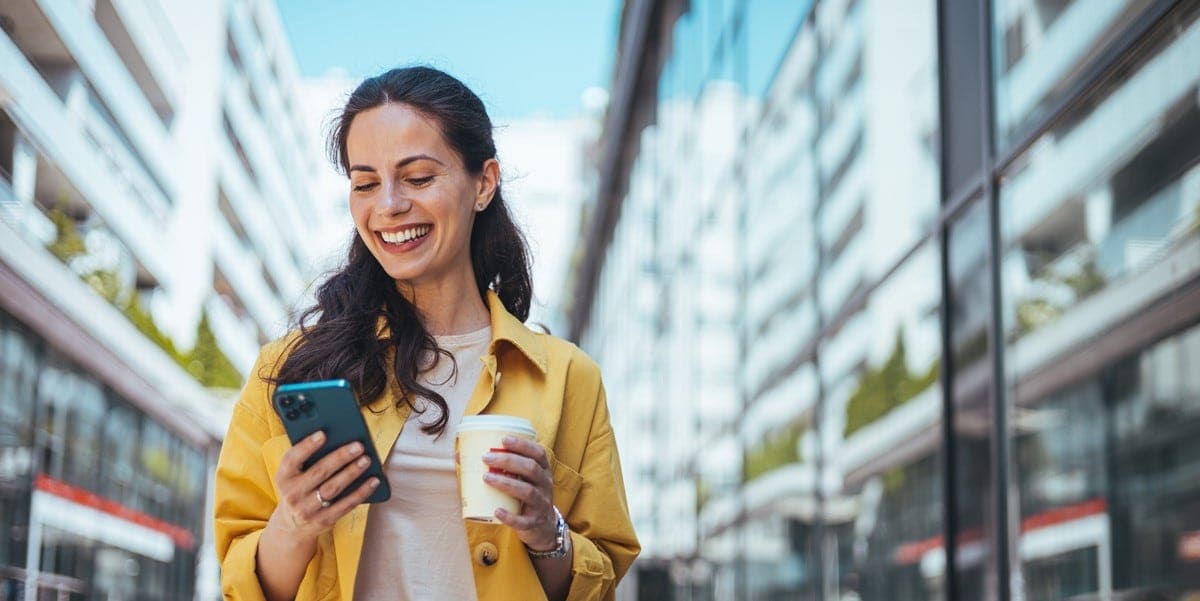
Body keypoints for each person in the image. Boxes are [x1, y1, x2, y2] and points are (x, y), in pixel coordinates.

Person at [213, 66, 639, 601]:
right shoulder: (290, 370)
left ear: (483, 183)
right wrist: (295, 521)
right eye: (365, 183)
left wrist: (545, 532)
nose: (388, 205)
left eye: (417, 178)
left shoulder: (568, 378)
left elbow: (601, 581)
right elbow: (241, 583)